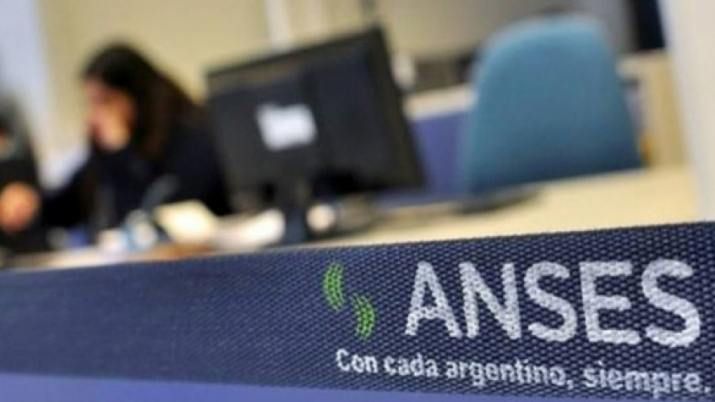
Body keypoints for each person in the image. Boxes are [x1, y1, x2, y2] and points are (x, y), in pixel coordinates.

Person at [0, 44, 230, 240]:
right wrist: (32, 205)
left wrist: (122, 153)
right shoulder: (106, 152)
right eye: (91, 103)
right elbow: (72, 203)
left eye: (106, 101)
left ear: (138, 95)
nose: (95, 115)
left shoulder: (191, 136)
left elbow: (152, 212)